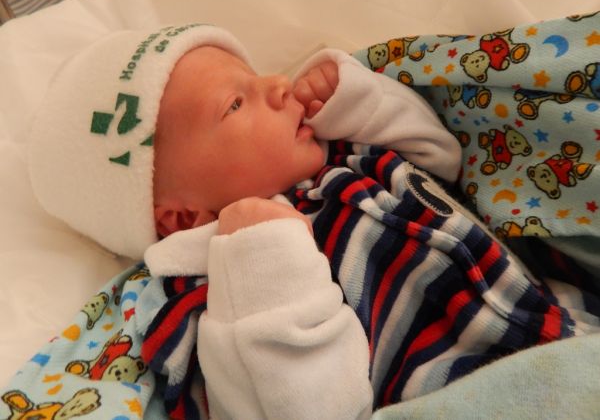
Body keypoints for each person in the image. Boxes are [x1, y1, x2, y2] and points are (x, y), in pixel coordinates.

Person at [19, 23, 598, 420]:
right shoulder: (211, 290)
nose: (277, 84)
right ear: (182, 215)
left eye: (256, 75)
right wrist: (260, 255)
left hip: (571, 320)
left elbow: (443, 158)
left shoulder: (348, 158)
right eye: (235, 103)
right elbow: (305, 407)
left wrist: (356, 100)